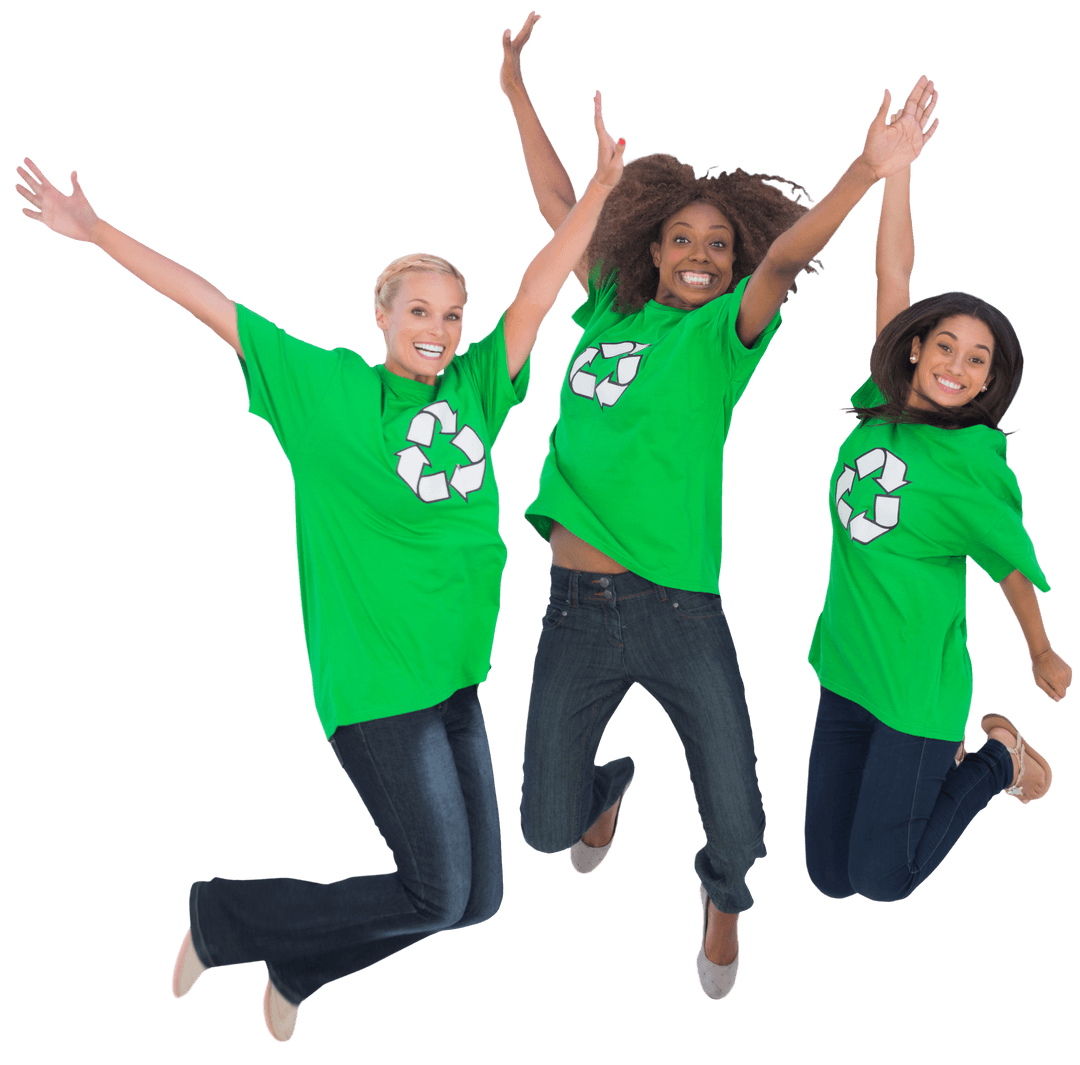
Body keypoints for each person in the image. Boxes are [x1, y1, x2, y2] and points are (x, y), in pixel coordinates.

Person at [14, 90, 625, 1042]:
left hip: (456, 677)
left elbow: (542, 289)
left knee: (474, 901)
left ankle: (301, 964)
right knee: (436, 886)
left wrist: (599, 190)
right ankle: (225, 917)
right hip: (378, 685)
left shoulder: (477, 389)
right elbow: (208, 302)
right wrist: (95, 230)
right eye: (419, 308)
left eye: (452, 313)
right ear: (381, 312)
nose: (439, 327)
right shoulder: (325, 391)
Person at [499, 11, 939, 999]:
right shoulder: (606, 309)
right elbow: (561, 198)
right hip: (573, 612)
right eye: (680, 239)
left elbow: (785, 263)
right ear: (649, 252)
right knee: (542, 827)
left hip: (677, 610)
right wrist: (516, 90)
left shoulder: (726, 337)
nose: (700, 253)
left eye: (718, 243)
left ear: (734, 260)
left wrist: (866, 172)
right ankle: (605, 794)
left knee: (742, 831)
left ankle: (719, 898)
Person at [803, 158, 1072, 905]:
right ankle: (944, 768)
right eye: (946, 345)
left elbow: (1009, 565)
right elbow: (894, 269)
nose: (957, 365)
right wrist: (897, 172)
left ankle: (1000, 760)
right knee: (829, 875)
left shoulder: (972, 464)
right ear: (917, 346)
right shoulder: (882, 399)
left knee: (882, 878)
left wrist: (1041, 649)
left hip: (919, 688)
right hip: (850, 666)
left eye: (977, 359)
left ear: (989, 382)